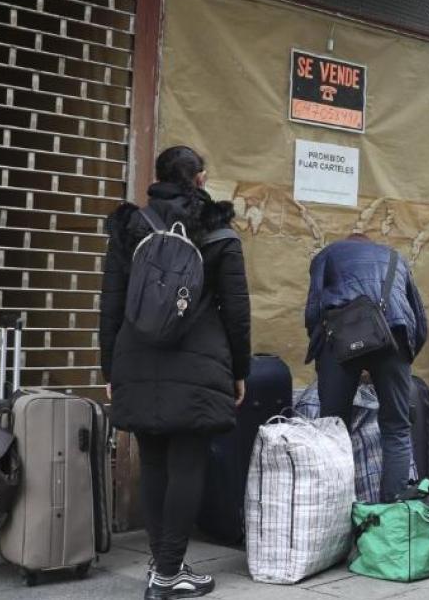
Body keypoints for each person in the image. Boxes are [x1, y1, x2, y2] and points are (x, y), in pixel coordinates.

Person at [100, 146, 251, 600]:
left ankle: (162, 565)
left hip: (137, 357)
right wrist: (239, 370)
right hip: (199, 361)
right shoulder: (219, 231)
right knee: (188, 463)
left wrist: (110, 365)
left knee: (153, 461)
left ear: (158, 178)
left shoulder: (132, 227)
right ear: (201, 180)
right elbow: (236, 311)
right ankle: (168, 573)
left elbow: (111, 303)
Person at [305, 232, 427, 503]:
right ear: (371, 245)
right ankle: (391, 511)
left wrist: (320, 354)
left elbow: (314, 309)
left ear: (348, 244)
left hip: (342, 336)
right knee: (396, 427)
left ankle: (335, 508)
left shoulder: (328, 254)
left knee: (333, 427)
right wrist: (405, 360)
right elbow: (418, 317)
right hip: (393, 335)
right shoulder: (396, 258)